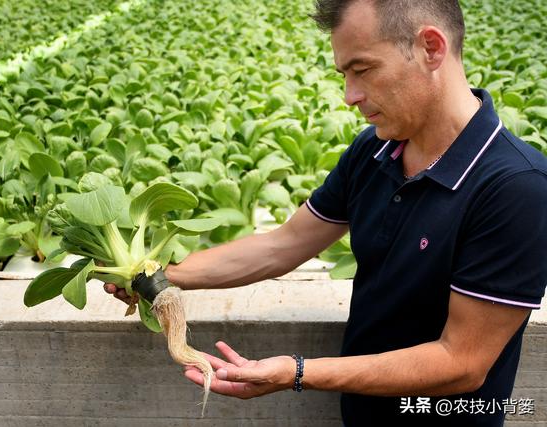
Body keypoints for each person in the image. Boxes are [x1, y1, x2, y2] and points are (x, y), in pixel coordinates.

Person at [104, 0, 547, 425]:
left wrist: (298, 373)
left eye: (363, 70)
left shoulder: (517, 187)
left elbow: (462, 362)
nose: (350, 96)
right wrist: (159, 277)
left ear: (431, 48)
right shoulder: (374, 150)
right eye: (344, 74)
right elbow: (284, 245)